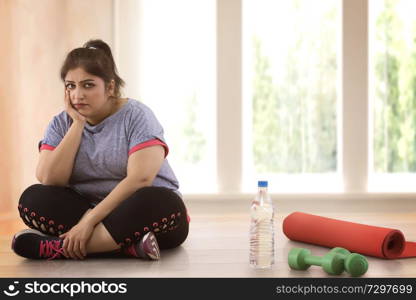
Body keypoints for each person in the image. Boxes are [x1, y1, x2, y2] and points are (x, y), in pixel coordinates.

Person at [11, 39, 189, 260]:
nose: (77, 95)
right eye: (70, 85)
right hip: (90, 210)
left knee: (161, 201)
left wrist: (88, 222)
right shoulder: (61, 123)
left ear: (110, 86)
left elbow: (140, 180)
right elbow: (50, 178)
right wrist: (77, 125)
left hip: (145, 214)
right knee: (33, 198)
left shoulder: (137, 116)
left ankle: (59, 248)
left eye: (88, 85)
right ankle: (128, 247)